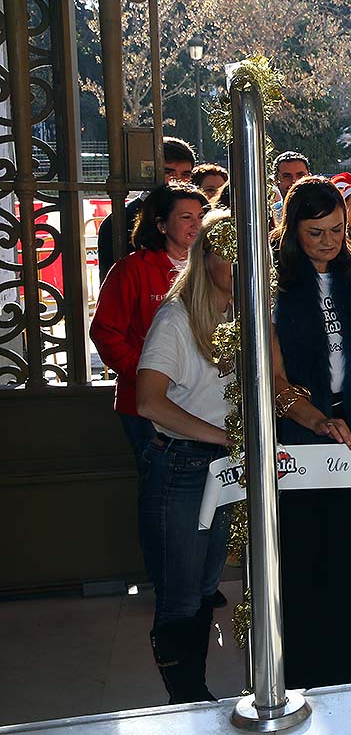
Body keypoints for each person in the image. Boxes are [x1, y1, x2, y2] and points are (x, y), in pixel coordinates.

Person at [270, 177, 351, 689]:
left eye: (337, 230)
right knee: (302, 551)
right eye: (316, 233)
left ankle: (348, 667)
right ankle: (302, 669)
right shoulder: (273, 281)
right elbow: (273, 375)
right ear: (293, 232)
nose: (331, 241)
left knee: (346, 549)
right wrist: (309, 415)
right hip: (299, 429)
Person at [134, 209, 235, 703]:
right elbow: (148, 401)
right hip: (180, 465)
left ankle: (193, 696)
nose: (241, 265)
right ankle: (188, 699)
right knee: (179, 596)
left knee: (202, 591)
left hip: (221, 468)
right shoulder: (176, 317)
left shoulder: (245, 314)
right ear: (207, 257)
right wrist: (222, 437)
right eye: (231, 254)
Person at [91, 183, 210, 471]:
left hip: (203, 404)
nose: (196, 225)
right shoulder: (132, 269)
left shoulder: (213, 267)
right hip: (146, 407)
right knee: (161, 489)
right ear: (161, 225)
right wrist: (149, 375)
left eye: (201, 216)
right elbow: (105, 332)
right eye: (186, 217)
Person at [98, 137, 197, 274]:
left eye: (185, 174)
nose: (177, 180)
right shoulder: (119, 221)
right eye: (168, 172)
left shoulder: (201, 215)